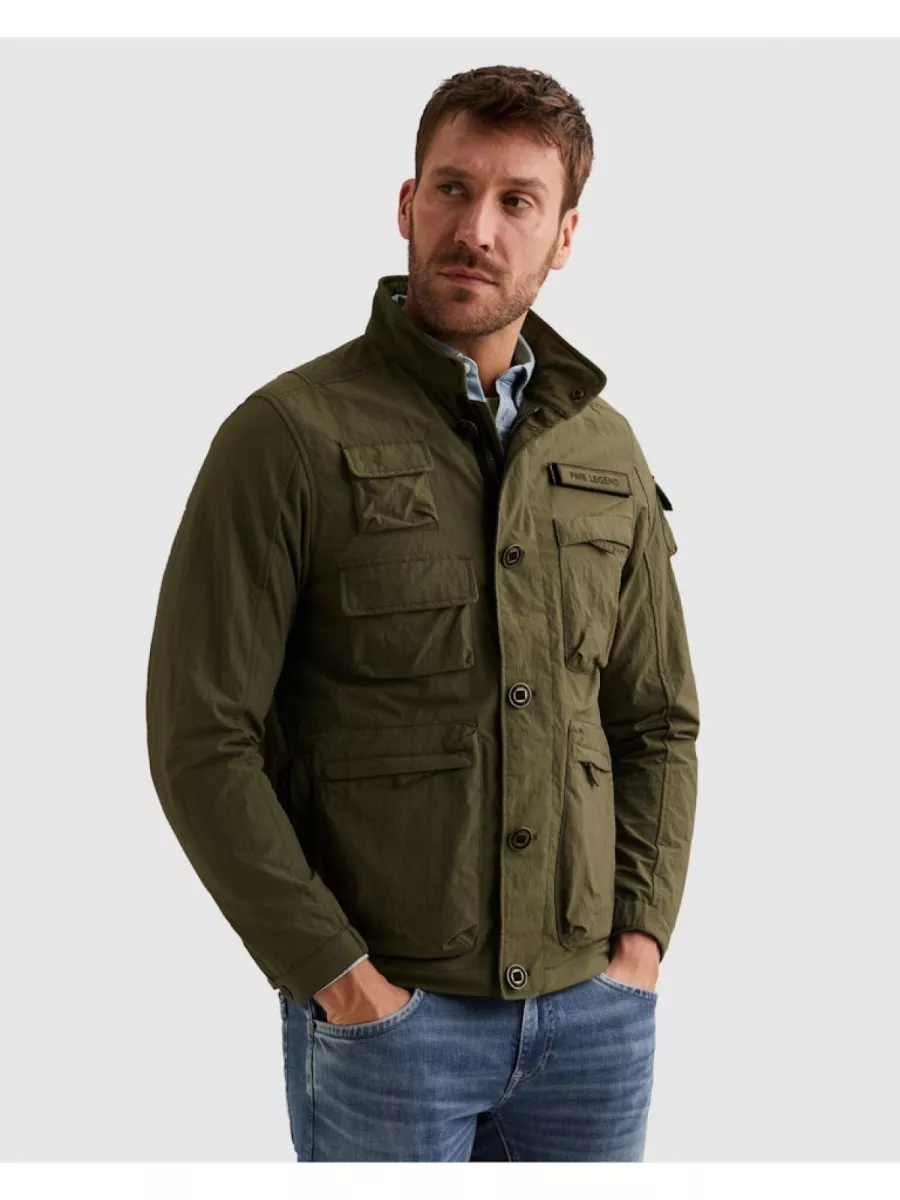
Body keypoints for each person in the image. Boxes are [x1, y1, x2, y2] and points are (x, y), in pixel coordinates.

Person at [145, 63, 700, 1162]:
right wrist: (339, 980)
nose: (476, 229)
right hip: (389, 1029)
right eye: (453, 189)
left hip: (593, 1021)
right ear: (407, 203)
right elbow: (201, 738)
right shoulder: (288, 437)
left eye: (517, 201)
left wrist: (637, 947)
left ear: (564, 236)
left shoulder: (605, 449)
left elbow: (656, 722)